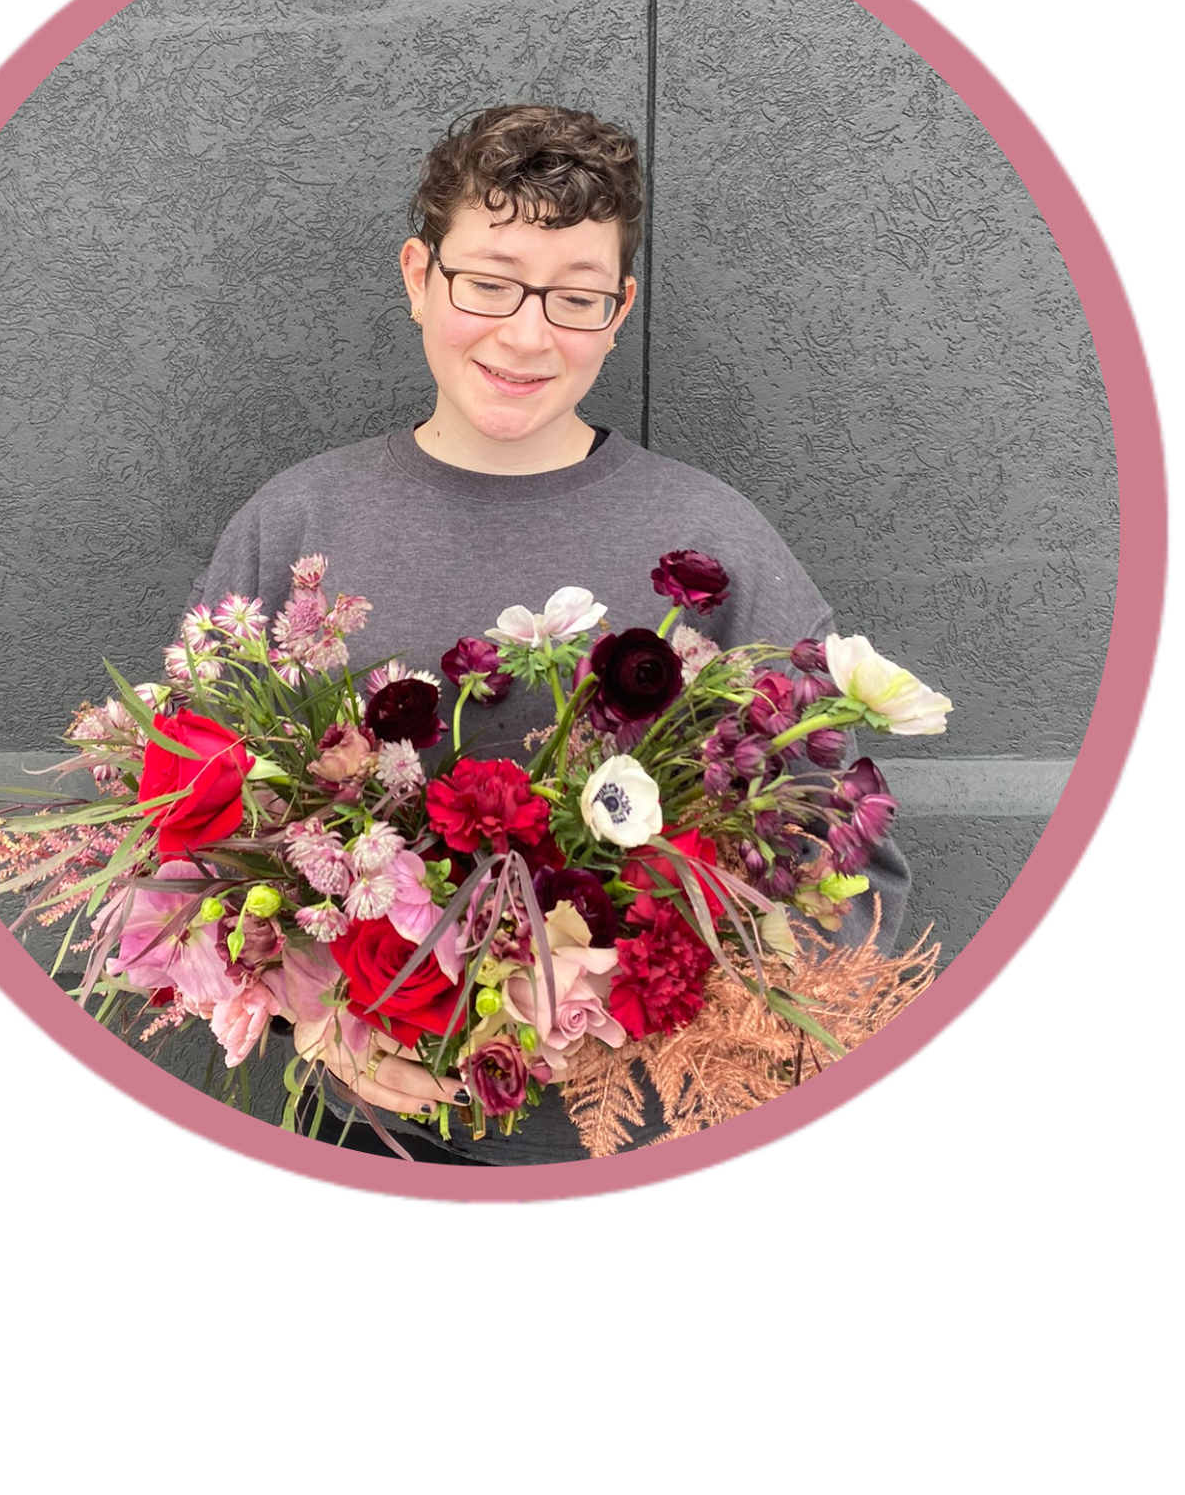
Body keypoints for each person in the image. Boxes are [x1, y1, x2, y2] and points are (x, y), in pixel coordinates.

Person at [182, 104, 912, 1166]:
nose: (527, 335)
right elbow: (185, 841)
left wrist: (647, 998)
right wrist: (312, 1010)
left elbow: (856, 867)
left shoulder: (714, 545)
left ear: (618, 312)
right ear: (419, 276)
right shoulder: (296, 527)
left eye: (574, 297)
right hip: (361, 1138)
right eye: (489, 280)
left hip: (643, 1144)